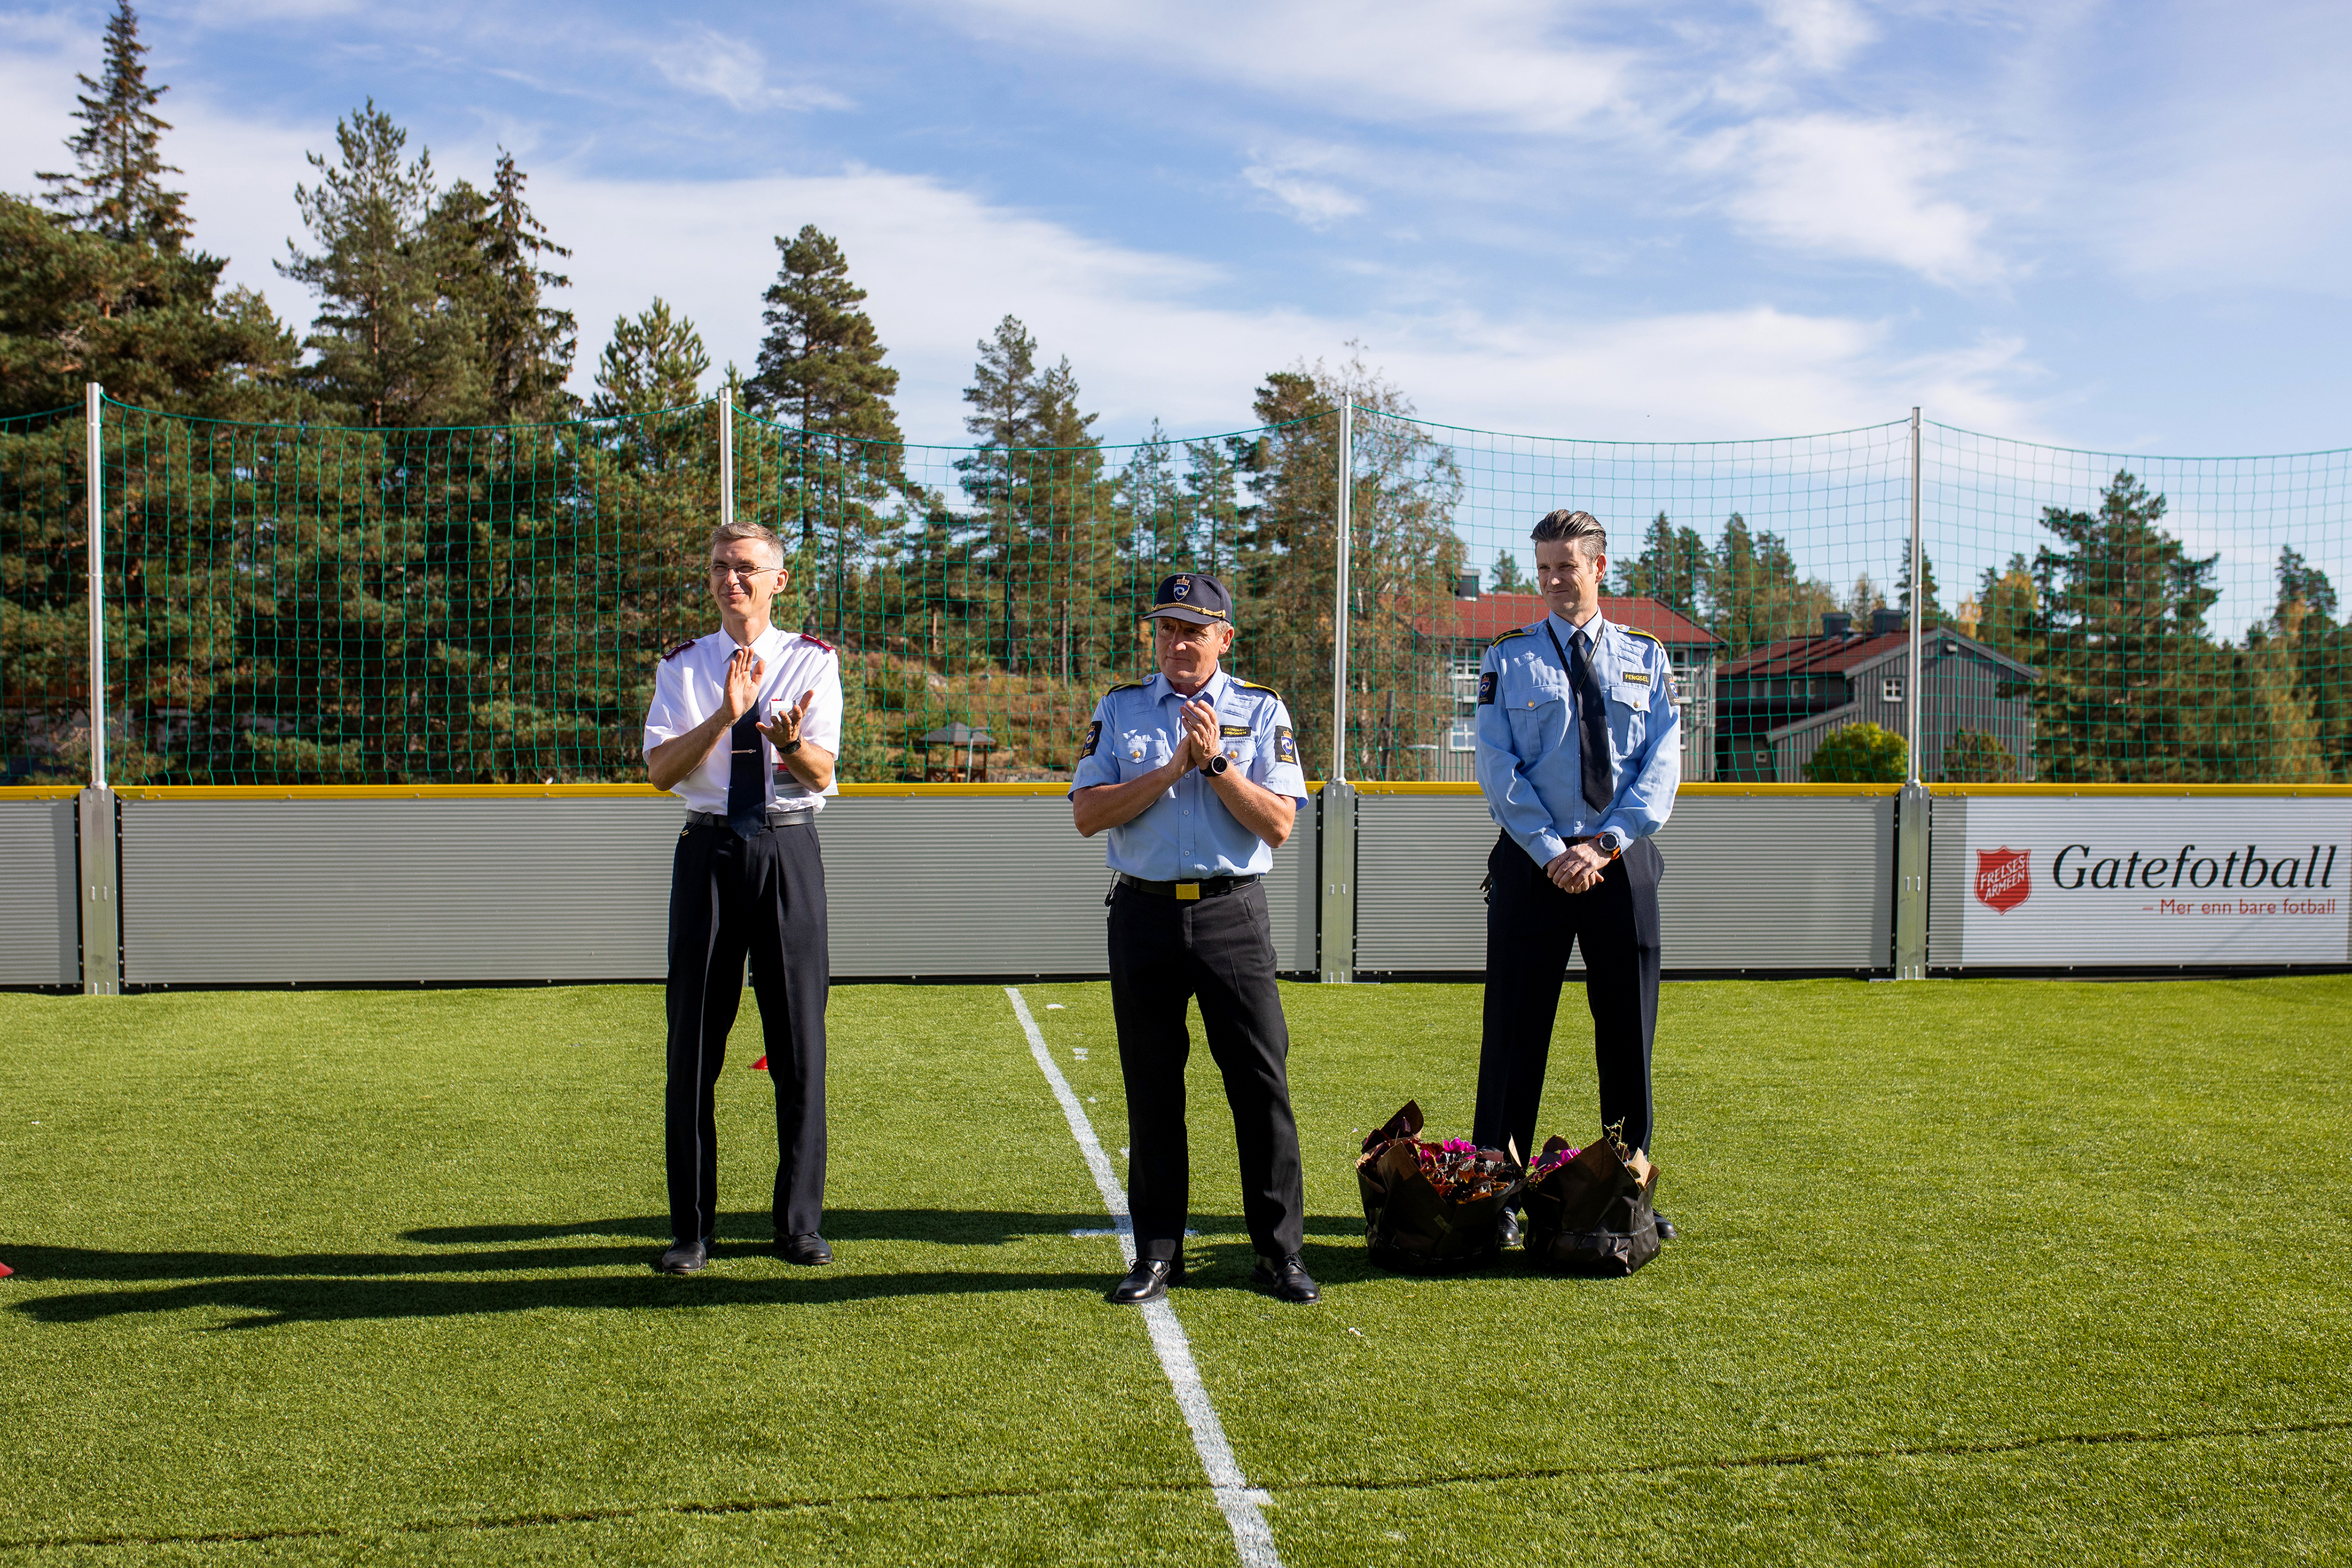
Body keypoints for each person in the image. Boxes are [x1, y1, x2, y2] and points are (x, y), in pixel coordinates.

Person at [1070, 572, 1320, 1305]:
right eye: (1169, 628)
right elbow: (1089, 814)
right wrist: (1172, 766)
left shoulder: (1260, 707)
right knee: (1152, 1088)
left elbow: (1278, 822)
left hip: (1230, 913)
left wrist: (1214, 766)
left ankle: (1280, 1253)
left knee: (1259, 1084)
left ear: (1224, 638)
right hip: (1142, 913)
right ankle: (1156, 1254)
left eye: (1195, 629)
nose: (1180, 642)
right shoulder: (1120, 709)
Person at [1473, 509, 1681, 1243]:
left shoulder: (1647, 656)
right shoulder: (1509, 657)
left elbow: (1662, 764)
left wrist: (1604, 844)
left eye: (1568, 565)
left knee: (1628, 1032)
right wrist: (1552, 848)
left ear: (1600, 567)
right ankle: (1494, 1196)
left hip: (1620, 865)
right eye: (1545, 568)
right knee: (1513, 1035)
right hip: (1534, 866)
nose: (1556, 579)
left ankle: (1627, 1195)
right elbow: (1497, 766)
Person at [642, 519, 842, 1276]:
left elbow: (821, 770)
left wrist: (787, 740)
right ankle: (692, 1230)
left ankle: (798, 1224)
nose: (734, 580)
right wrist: (727, 713)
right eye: (722, 568)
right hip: (710, 849)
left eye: (749, 569)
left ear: (778, 580)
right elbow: (662, 770)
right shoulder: (686, 666)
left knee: (798, 1044)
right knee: (693, 1045)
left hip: (788, 847)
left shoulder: (813, 661)